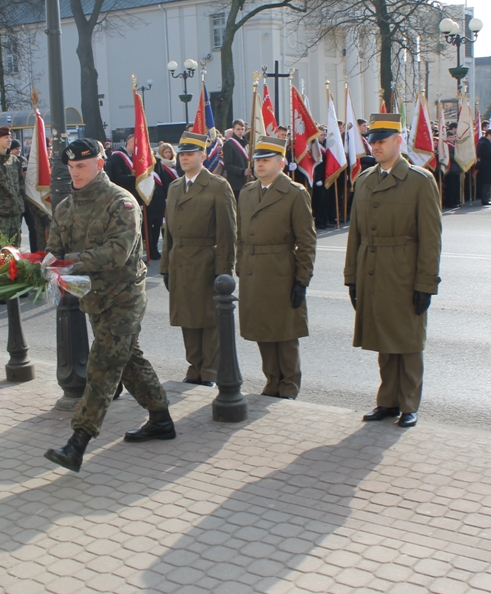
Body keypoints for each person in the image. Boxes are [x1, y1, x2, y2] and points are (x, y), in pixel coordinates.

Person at [44, 138, 175, 473]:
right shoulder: (64, 209)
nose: (75, 173)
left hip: (125, 295)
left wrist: (68, 262)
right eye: (71, 167)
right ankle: (161, 418)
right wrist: (46, 267)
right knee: (127, 358)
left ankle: (78, 442)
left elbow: (118, 252)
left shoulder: (121, 202)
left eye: (82, 166)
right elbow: (54, 250)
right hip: (94, 298)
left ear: (99, 164)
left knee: (102, 365)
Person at [345, 114, 442, 429]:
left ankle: (409, 404)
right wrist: (352, 278)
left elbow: (430, 239)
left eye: (382, 140)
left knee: (409, 342)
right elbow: (355, 234)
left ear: (399, 141)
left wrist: (425, 283)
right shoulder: (364, 180)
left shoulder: (420, 181)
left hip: (404, 272)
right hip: (373, 270)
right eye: (372, 140)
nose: (375, 146)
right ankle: (387, 401)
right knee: (384, 340)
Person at [236, 136, 316, 400]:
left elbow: (306, 241)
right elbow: (240, 235)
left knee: (284, 332)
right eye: (257, 159)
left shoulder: (294, 193)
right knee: (262, 329)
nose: (259, 164)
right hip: (252, 269)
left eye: (266, 160)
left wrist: (302, 280)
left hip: (281, 270)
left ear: (281, 163)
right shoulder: (247, 192)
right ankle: (272, 381)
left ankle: (289, 385)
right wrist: (240, 265)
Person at [160, 131, 237, 387]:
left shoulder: (217, 185)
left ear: (203, 156)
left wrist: (223, 269)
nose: (184, 158)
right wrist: (165, 266)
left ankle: (210, 371)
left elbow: (227, 231)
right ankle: (194, 367)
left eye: (190, 154)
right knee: (187, 319)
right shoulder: (174, 187)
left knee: (208, 320)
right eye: (182, 154)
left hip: (205, 260)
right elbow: (168, 232)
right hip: (180, 260)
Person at [105, 135, 139, 201]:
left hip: (133, 194)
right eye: (137, 143)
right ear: (129, 142)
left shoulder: (135, 157)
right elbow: (117, 178)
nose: (138, 146)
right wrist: (136, 178)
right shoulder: (117, 156)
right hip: (121, 195)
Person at [222, 119, 250, 199]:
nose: (240, 131)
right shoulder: (229, 144)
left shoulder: (247, 144)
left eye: (242, 129)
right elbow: (228, 165)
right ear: (233, 129)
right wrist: (242, 171)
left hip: (247, 181)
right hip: (236, 184)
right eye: (238, 129)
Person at [475, 128, 491, 206]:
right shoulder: (483, 143)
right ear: (488, 135)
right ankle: (485, 199)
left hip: (490, 166)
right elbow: (486, 155)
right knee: (486, 184)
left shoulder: (489, 142)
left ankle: (488, 198)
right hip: (486, 166)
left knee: (488, 184)